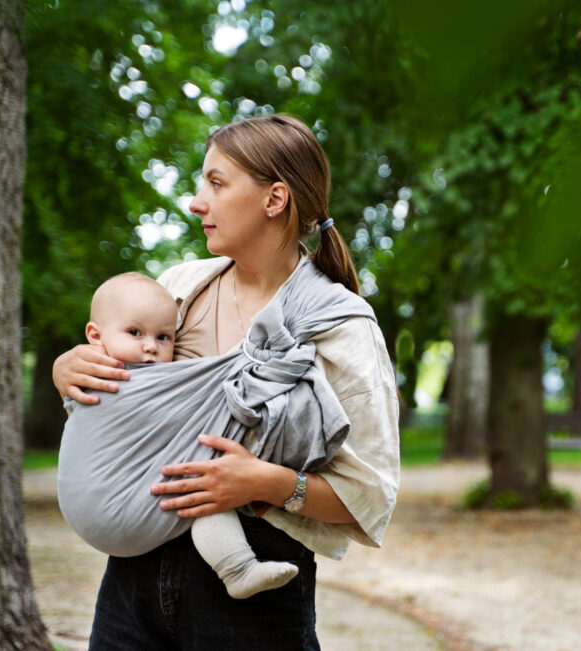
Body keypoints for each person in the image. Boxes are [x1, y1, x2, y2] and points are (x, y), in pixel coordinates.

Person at [53, 114, 400, 650]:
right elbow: (126, 406)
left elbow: (370, 496)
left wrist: (265, 484)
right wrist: (70, 370)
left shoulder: (340, 327)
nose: (196, 202)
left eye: (216, 183)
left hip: (252, 593)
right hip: (132, 584)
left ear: (275, 199)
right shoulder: (178, 290)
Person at [60, 270, 343, 599]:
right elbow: (87, 420)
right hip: (114, 537)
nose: (150, 347)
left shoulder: (170, 371)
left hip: (167, 505)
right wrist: (62, 369)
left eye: (164, 337)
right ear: (95, 336)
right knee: (201, 483)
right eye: (135, 333)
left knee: (204, 487)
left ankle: (238, 569)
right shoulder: (96, 373)